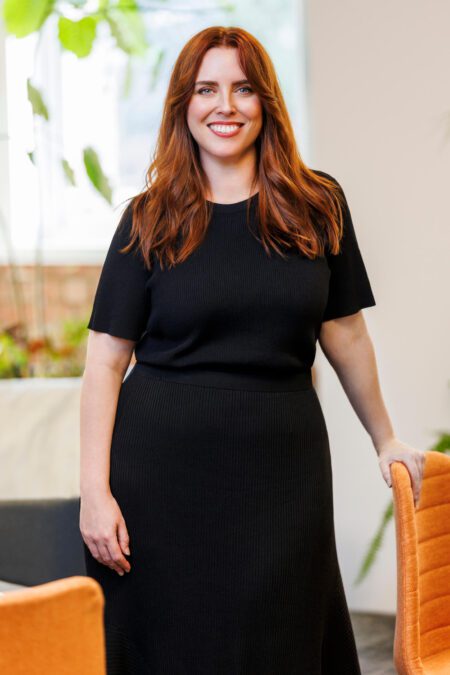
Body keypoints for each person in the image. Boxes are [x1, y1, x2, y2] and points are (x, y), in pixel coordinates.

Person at [79, 25, 426, 675]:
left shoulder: (317, 205)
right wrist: (94, 490)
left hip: (281, 468)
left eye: (242, 89)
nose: (225, 106)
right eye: (206, 89)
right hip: (160, 474)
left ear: (266, 101)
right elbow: (104, 359)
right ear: (184, 104)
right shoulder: (148, 218)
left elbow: (345, 332)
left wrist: (385, 438)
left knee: (282, 636)